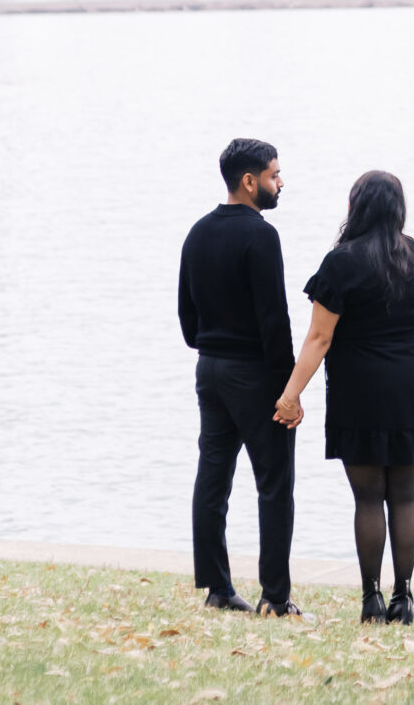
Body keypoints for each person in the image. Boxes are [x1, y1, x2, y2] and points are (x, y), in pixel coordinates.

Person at [274, 170, 414, 625]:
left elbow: (318, 337)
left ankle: (371, 599)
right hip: (410, 384)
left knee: (368, 498)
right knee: (405, 495)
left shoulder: (341, 262)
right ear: (398, 209)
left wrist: (290, 395)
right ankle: (403, 598)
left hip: (358, 389)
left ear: (356, 207)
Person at [177, 137, 302, 617]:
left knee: (213, 475)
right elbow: (276, 321)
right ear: (249, 181)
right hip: (255, 374)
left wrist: (213, 345)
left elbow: (187, 320)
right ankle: (275, 596)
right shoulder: (261, 235)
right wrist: (288, 392)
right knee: (274, 483)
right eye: (274, 175)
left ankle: (217, 587)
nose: (280, 182)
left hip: (209, 369)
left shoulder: (197, 233)